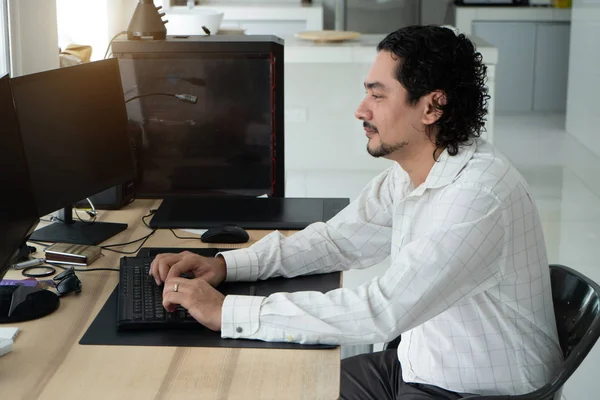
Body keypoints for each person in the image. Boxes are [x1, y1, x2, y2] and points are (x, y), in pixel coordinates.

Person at [149, 25, 563, 399]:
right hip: (419, 363)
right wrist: (225, 266)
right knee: (279, 386)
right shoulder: (416, 169)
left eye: (378, 95)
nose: (361, 110)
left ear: (432, 107)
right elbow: (337, 240)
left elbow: (381, 311)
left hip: (474, 391)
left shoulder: (477, 195)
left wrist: (227, 312)